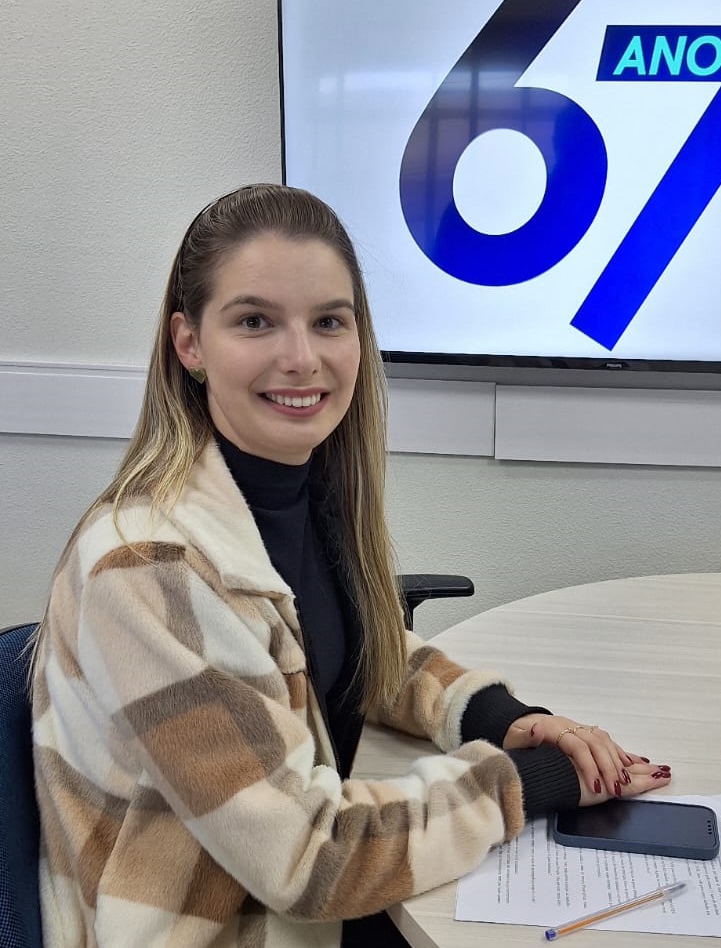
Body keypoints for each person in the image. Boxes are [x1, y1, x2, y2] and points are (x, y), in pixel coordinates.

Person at [30, 184, 672, 948]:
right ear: (189, 343)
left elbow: (359, 652)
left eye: (329, 321)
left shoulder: (304, 493)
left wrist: (506, 720)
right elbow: (310, 858)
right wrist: (538, 783)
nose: (302, 358)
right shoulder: (147, 569)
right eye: (255, 321)